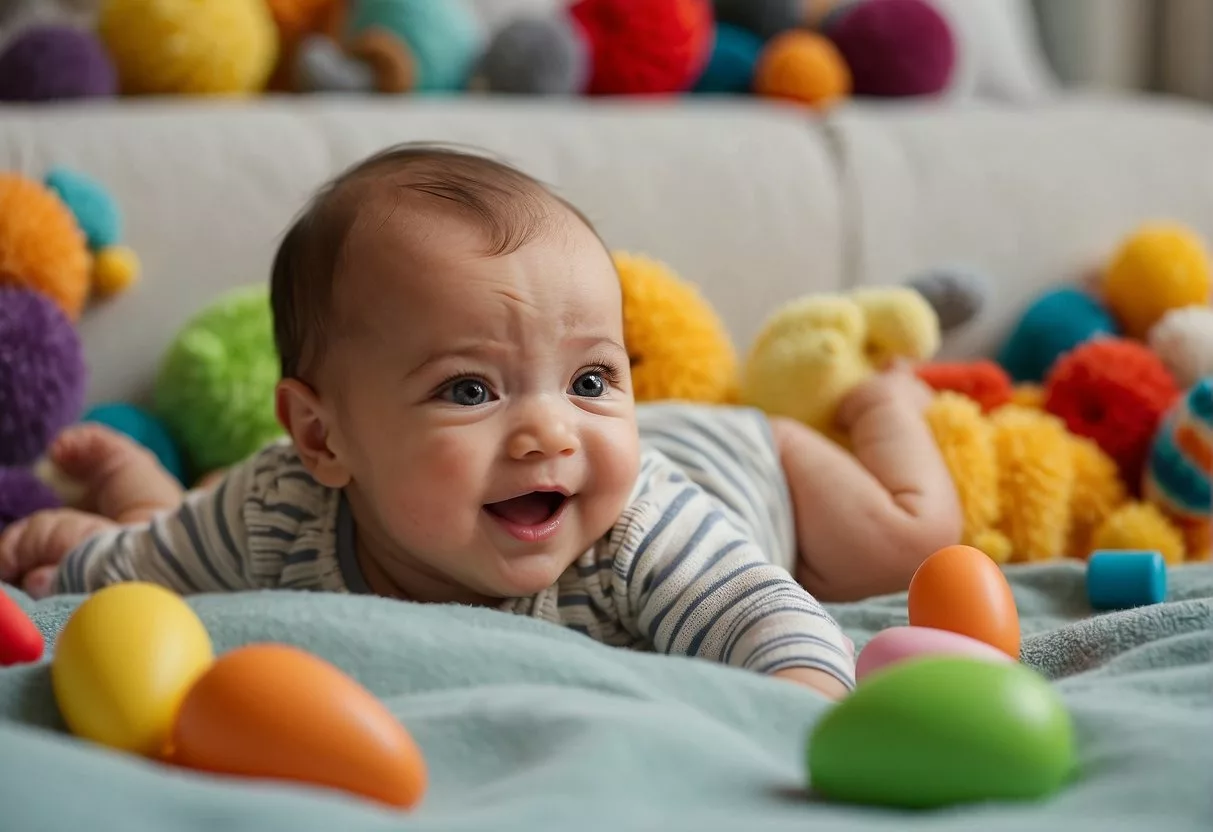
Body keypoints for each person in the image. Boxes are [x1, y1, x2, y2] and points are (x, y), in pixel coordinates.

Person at [0, 144, 962, 700]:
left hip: (750, 456)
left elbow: (775, 627)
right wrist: (64, 551)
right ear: (323, 440)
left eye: (592, 378)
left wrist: (797, 717)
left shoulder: (638, 532)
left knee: (904, 542)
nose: (551, 432)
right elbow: (134, 573)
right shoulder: (274, 510)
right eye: (470, 390)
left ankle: (883, 398)